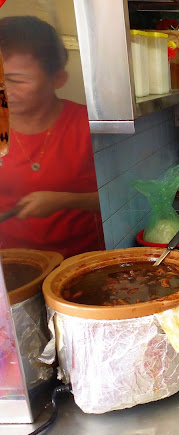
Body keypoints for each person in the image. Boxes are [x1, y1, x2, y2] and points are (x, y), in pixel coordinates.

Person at [0, 16, 104, 258]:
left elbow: (123, 197)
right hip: (13, 268)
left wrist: (65, 200)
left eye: (15, 80)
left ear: (58, 79)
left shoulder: (86, 126)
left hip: (83, 263)